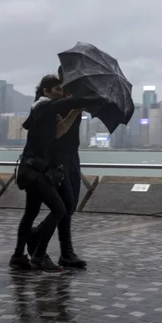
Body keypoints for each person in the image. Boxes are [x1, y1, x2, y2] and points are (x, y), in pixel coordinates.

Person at [10, 74, 102, 271]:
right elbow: (62, 109)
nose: (60, 94)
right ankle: (39, 257)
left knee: (31, 213)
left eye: (62, 90)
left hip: (32, 169)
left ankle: (18, 256)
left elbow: (59, 132)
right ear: (46, 91)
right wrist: (91, 98)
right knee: (60, 210)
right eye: (57, 90)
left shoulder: (43, 110)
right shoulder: (44, 106)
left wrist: (75, 111)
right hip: (35, 171)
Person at [27, 66, 87, 268]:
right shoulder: (57, 102)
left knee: (69, 207)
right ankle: (64, 252)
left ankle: (61, 249)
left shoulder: (72, 98)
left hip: (73, 156)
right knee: (65, 206)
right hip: (58, 158)